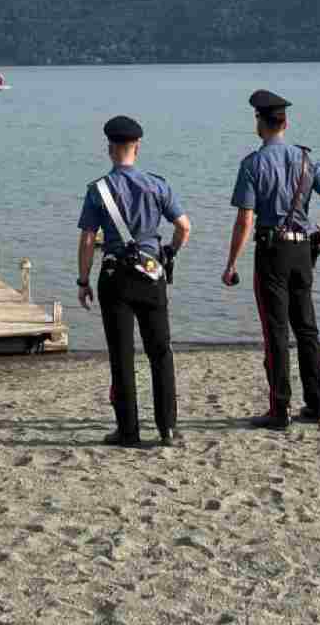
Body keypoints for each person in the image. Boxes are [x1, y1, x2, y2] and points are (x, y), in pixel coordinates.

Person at [222, 90, 320, 429]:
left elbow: (245, 219)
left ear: (259, 124)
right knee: (307, 328)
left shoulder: (252, 165)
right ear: (286, 123)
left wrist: (231, 263)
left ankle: (279, 410)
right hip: (303, 250)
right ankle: (316, 405)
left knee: (275, 331)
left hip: (272, 251)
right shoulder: (307, 160)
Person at [77, 115, 191, 448]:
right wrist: (169, 252)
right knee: (160, 351)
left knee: (122, 355)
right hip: (151, 274)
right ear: (137, 147)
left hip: (115, 278)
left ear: (110, 149)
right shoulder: (158, 185)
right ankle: (167, 428)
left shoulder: (98, 189)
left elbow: (87, 239)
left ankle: (128, 431)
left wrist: (83, 280)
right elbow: (184, 227)